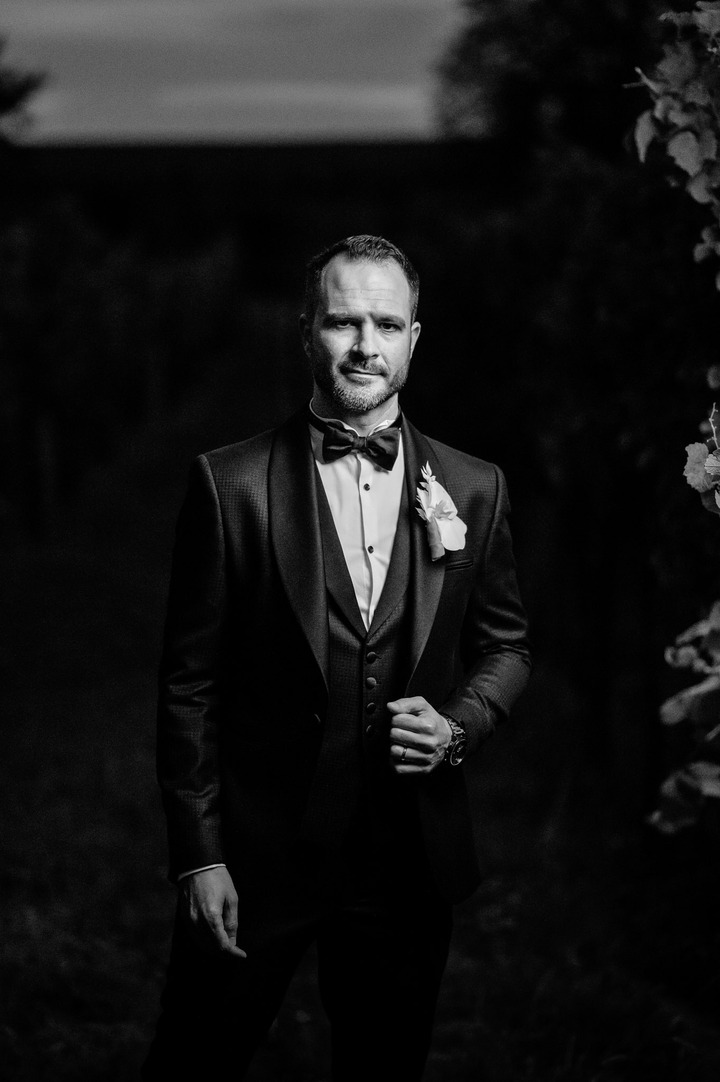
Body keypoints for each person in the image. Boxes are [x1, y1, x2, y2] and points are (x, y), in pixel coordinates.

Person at [142, 234, 531, 1081]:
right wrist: (200, 854)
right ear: (305, 330)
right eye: (342, 322)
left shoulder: (474, 487)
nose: (365, 345)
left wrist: (460, 726)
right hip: (256, 855)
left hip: (406, 859)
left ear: (415, 339)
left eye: (386, 324)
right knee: (193, 1062)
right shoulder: (229, 484)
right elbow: (190, 684)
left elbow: (507, 645)